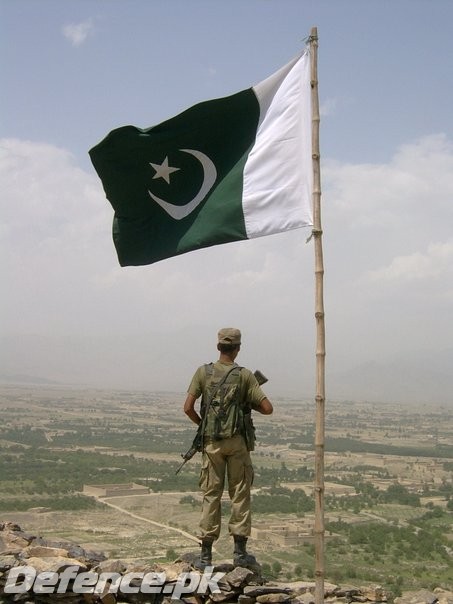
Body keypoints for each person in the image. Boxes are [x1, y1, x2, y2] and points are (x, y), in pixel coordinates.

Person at [183, 327, 273, 570]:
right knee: (240, 494)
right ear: (238, 348)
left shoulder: (203, 372)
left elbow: (188, 407)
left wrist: (204, 425)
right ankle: (240, 554)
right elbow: (267, 408)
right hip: (237, 443)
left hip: (212, 443)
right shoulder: (244, 376)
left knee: (211, 495)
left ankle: (205, 557)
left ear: (218, 347)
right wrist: (246, 404)